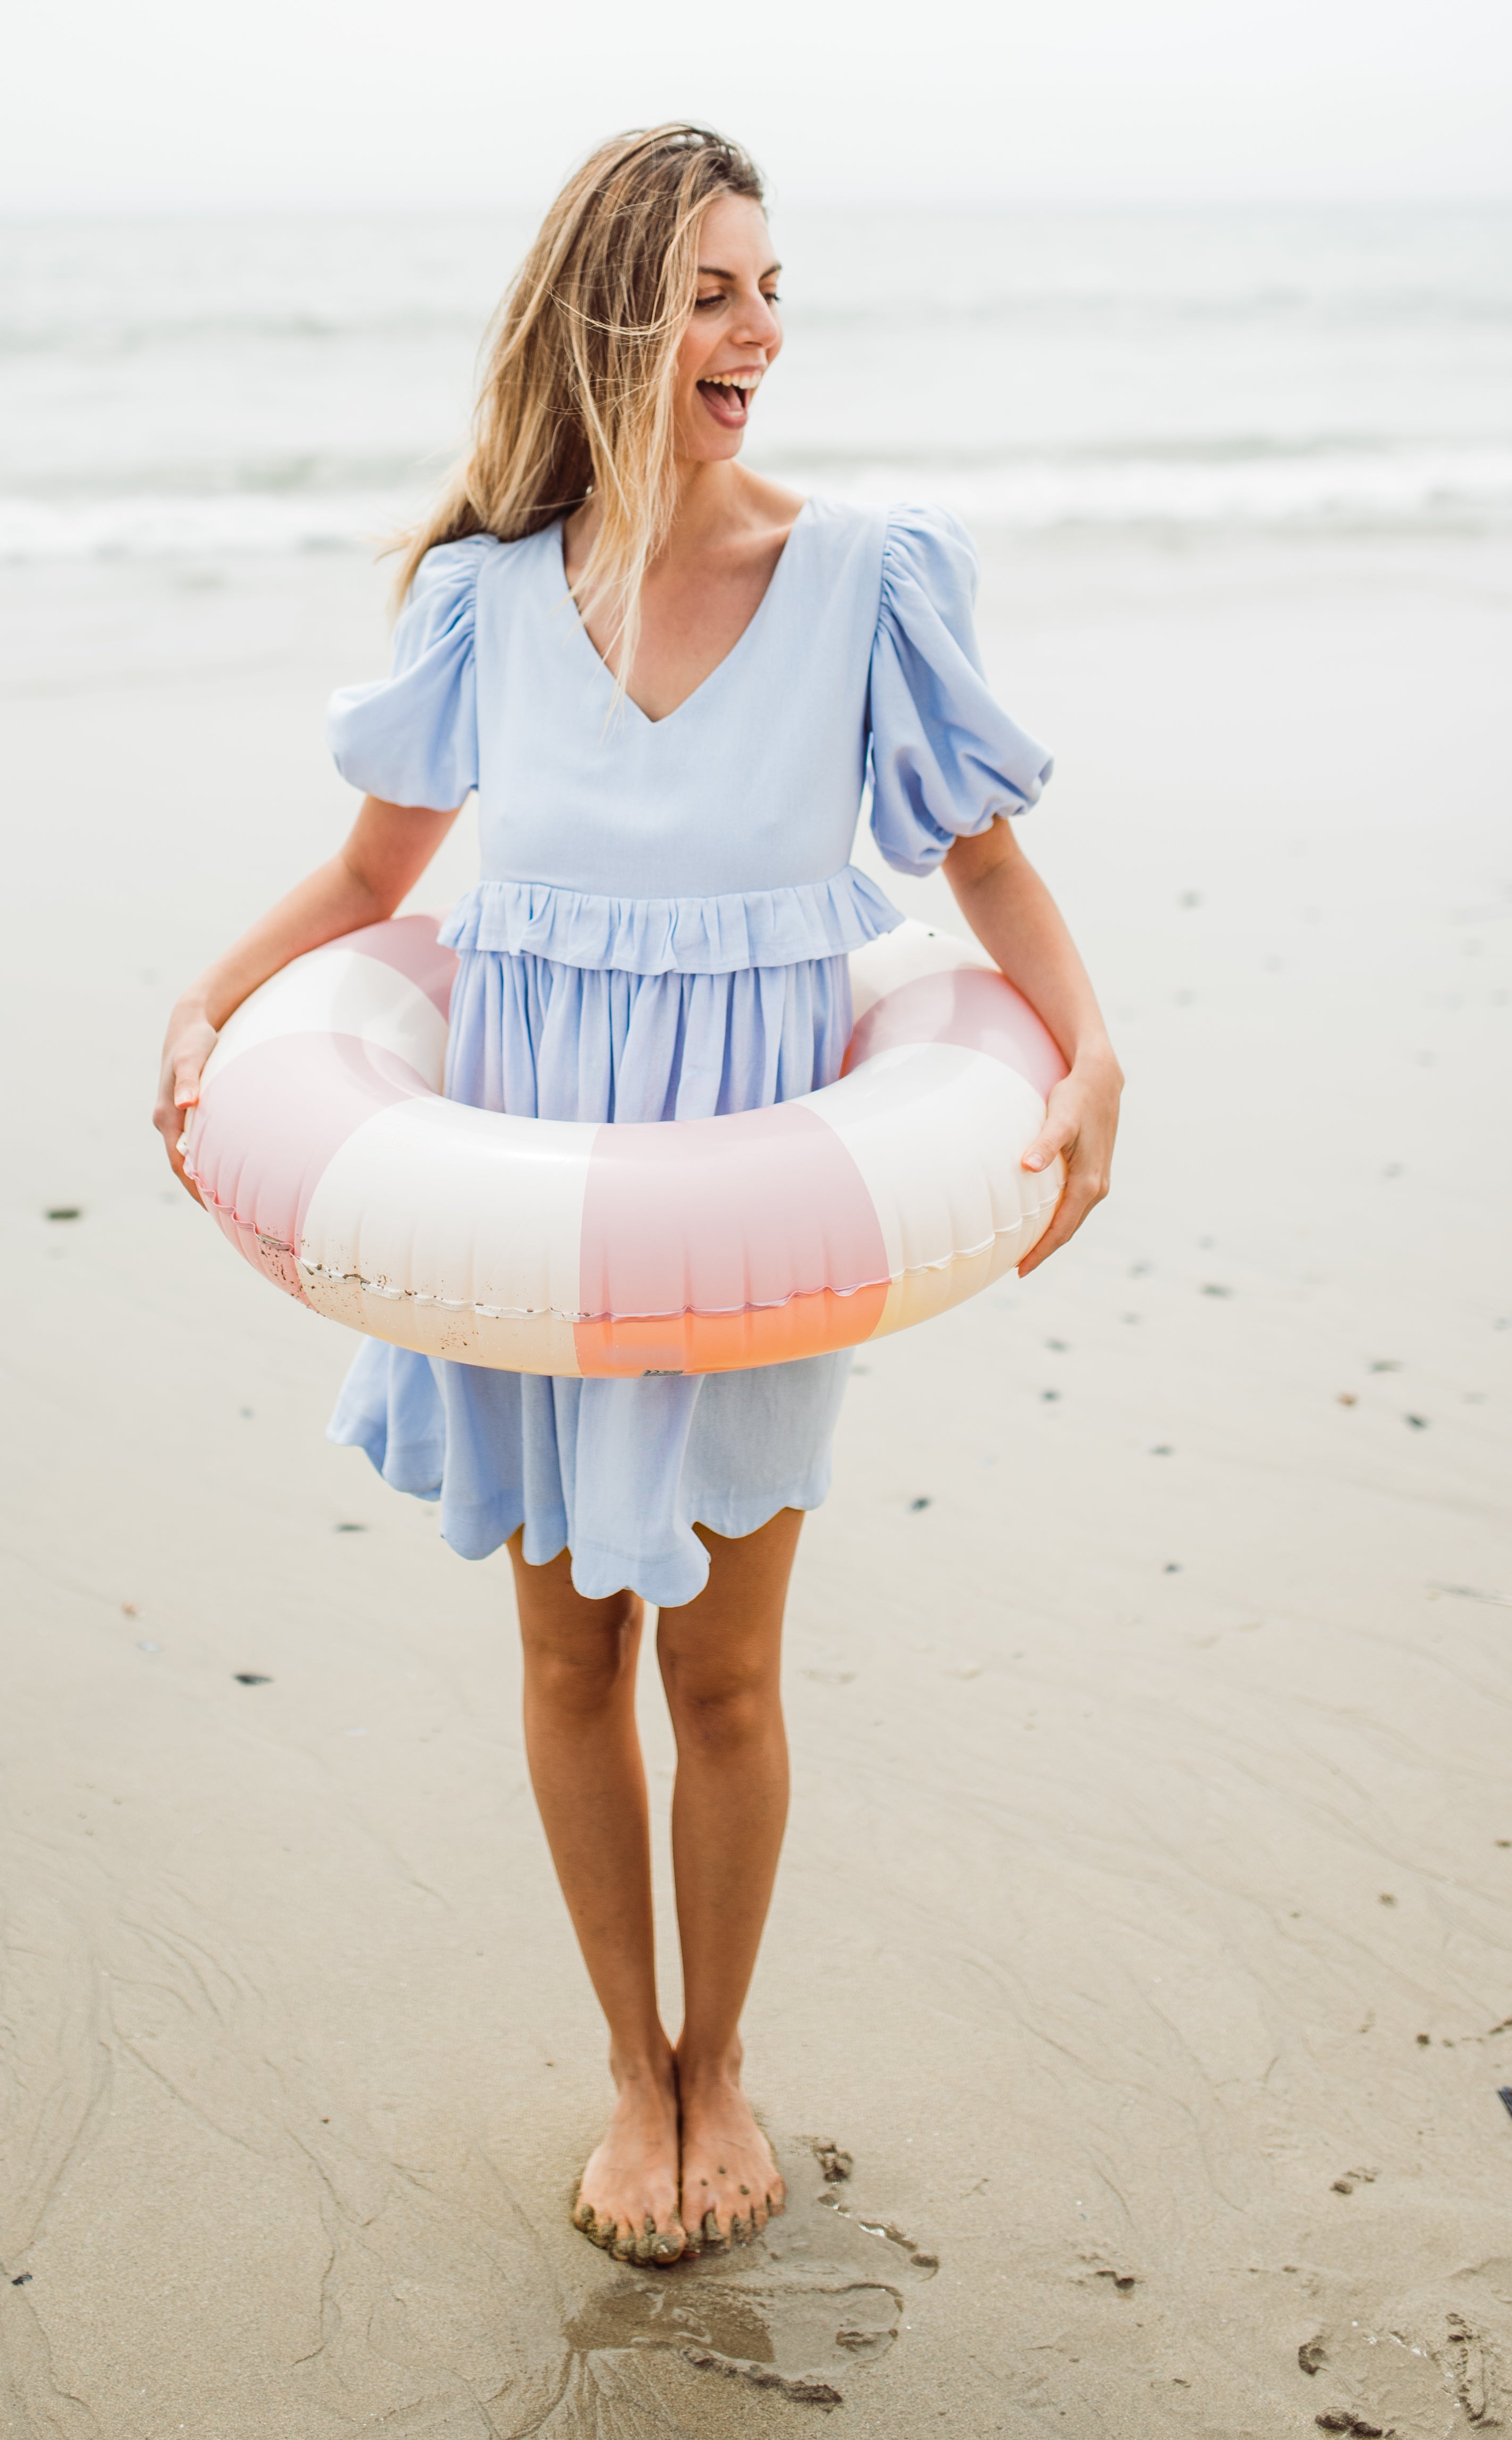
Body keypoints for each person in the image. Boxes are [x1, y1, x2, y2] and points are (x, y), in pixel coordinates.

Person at [153, 125, 1121, 2267]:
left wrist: (1092, 1039)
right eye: (709, 290)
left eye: (769, 287)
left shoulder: (866, 569)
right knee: (569, 1639)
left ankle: (729, 2054)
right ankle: (631, 2062)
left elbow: (976, 856)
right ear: (612, 310)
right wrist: (214, 995)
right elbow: (377, 874)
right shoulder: (489, 595)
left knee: (734, 1673)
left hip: (758, 1184)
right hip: (527, 1163)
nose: (757, 329)